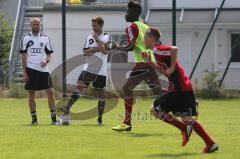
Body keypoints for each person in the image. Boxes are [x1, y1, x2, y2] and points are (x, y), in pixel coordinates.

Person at [143, 27, 218, 153]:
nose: (143, 41)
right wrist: (150, 62)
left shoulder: (158, 49)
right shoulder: (156, 52)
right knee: (187, 119)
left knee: (154, 110)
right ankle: (210, 144)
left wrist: (172, 67)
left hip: (179, 88)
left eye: (145, 39)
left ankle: (184, 129)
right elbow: (167, 73)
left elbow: (174, 49)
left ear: (152, 39)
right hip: (183, 88)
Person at [112, 0, 162, 132]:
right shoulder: (145, 26)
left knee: (127, 88)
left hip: (142, 63)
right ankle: (186, 104)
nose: (125, 14)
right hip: (150, 63)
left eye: (128, 11)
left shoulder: (131, 27)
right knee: (159, 93)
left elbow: (132, 46)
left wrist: (117, 47)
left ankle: (127, 122)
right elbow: (156, 43)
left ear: (134, 13)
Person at [60, 16, 109, 125]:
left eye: (95, 25)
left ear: (101, 25)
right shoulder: (89, 37)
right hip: (88, 68)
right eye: (92, 25)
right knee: (79, 88)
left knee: (101, 94)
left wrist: (97, 42)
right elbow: (85, 52)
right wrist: (98, 48)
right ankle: (66, 110)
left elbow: (105, 52)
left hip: (101, 71)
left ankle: (100, 119)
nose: (93, 28)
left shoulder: (107, 37)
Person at [20, 18, 57, 125]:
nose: (36, 26)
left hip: (43, 70)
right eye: (34, 24)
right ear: (31, 25)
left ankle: (54, 119)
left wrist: (46, 60)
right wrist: (24, 72)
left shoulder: (45, 38)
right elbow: (23, 56)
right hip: (30, 69)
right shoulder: (25, 39)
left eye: (37, 24)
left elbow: (50, 54)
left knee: (50, 92)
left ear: (40, 25)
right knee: (32, 93)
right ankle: (34, 119)